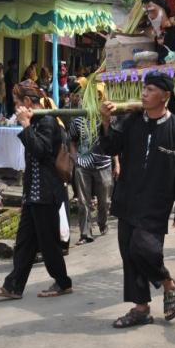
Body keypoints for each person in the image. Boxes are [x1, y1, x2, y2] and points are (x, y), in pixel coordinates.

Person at [98, 71, 175, 328]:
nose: (144, 93)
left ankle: (169, 283)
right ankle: (140, 308)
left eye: (151, 89)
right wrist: (106, 122)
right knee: (129, 253)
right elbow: (110, 147)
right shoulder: (132, 122)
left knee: (144, 248)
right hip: (128, 197)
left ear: (166, 96)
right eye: (144, 88)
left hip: (156, 203)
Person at [0, 81, 72, 300]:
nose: (15, 108)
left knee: (49, 244)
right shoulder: (36, 122)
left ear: (26, 102)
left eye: (17, 103)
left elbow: (41, 150)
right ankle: (13, 286)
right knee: (24, 243)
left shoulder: (47, 122)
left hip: (46, 193)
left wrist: (25, 125)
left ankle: (63, 282)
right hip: (32, 195)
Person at [69, 83, 117, 245]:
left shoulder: (109, 117)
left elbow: (113, 143)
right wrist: (75, 159)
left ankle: (102, 223)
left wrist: (116, 163)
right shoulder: (77, 120)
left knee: (105, 201)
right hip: (83, 166)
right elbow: (72, 141)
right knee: (83, 202)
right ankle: (85, 233)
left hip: (104, 164)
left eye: (98, 96)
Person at [140, 0, 175, 64]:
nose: (150, 16)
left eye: (152, 10)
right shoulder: (157, 36)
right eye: (147, 12)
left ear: (163, 9)